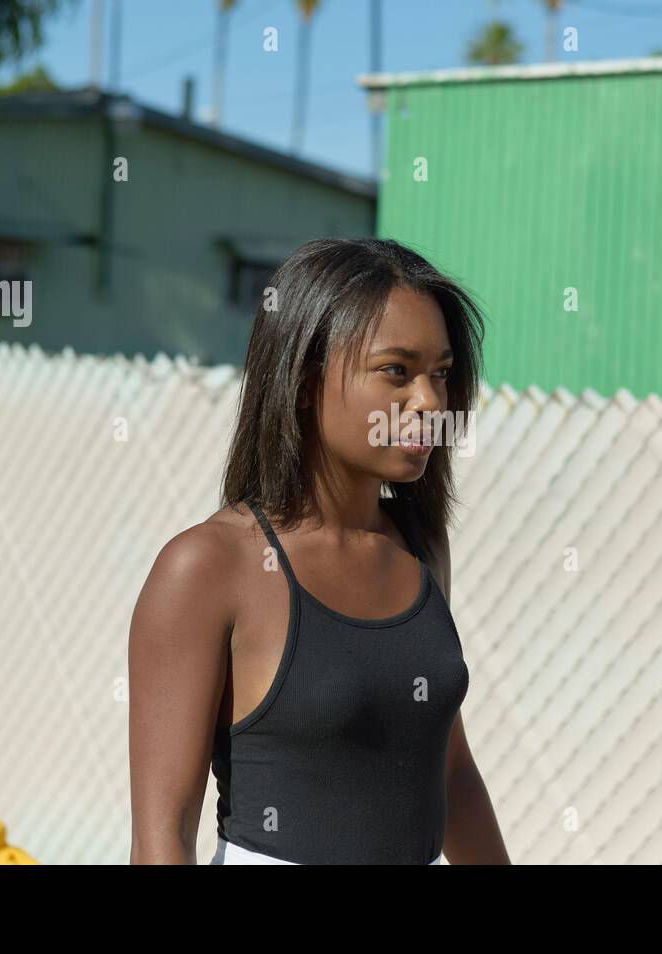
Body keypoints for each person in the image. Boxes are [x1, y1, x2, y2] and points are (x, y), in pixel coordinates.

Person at [128, 237, 510, 864]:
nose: (431, 402)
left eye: (440, 374)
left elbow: (449, 769)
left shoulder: (421, 548)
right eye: (396, 371)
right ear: (303, 382)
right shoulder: (207, 567)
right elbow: (160, 839)